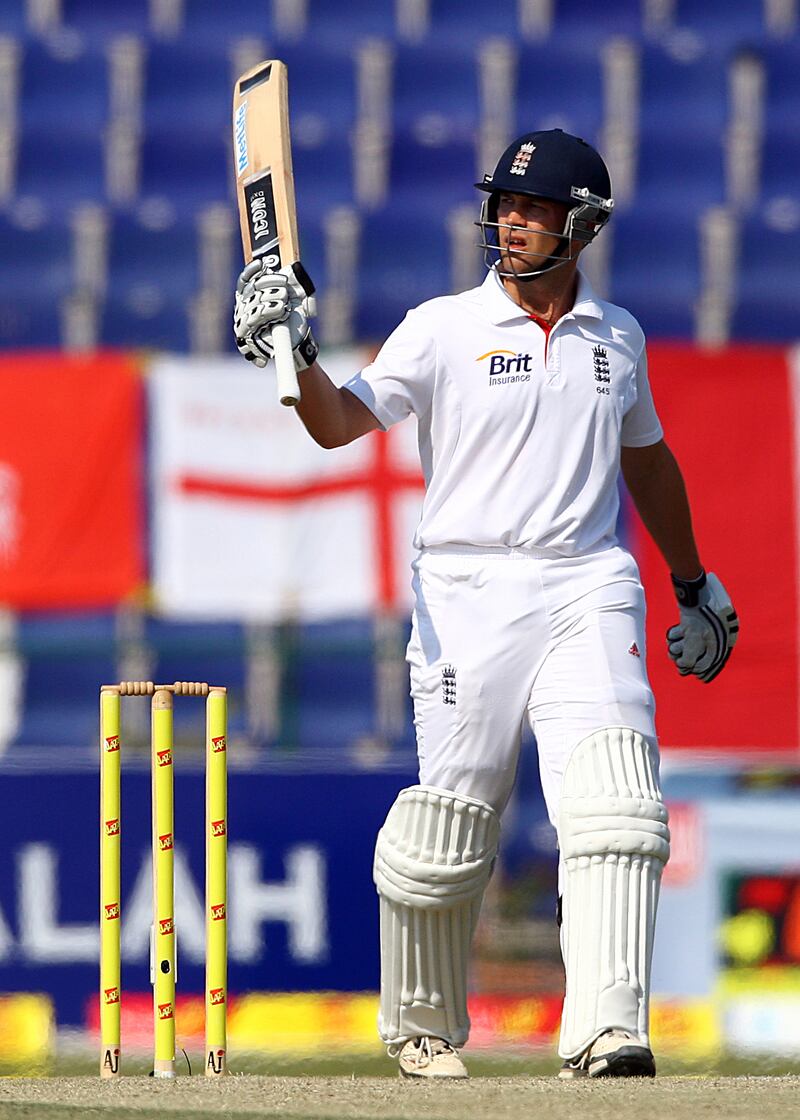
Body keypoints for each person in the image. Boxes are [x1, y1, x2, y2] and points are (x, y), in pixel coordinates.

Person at [233, 129, 739, 1080]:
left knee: (619, 808)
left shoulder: (617, 336)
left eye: (533, 208)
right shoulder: (443, 327)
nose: (510, 221)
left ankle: (606, 1031)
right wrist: (291, 355)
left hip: (590, 580)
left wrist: (690, 577)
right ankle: (422, 1026)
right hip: (466, 590)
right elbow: (338, 424)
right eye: (504, 204)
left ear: (580, 225)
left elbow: (648, 460)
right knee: (449, 831)